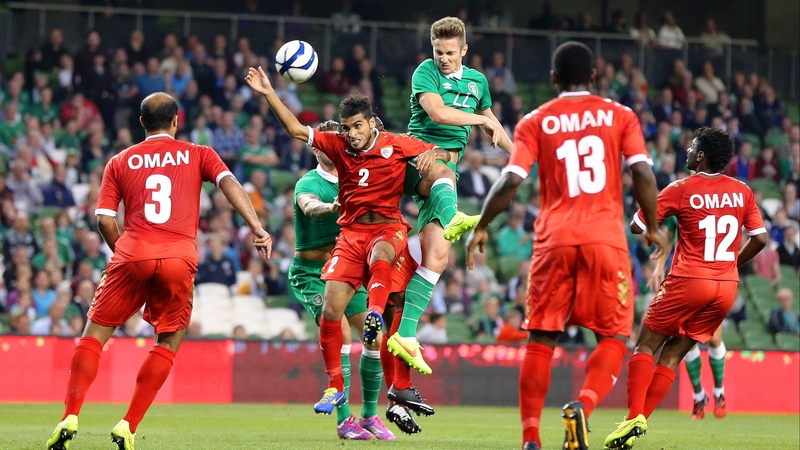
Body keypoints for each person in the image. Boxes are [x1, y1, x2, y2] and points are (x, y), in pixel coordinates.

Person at [465, 41, 668, 450]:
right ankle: (583, 405)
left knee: (541, 340)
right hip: (605, 240)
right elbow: (643, 174)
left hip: (553, 241)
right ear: (595, 76)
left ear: (554, 79)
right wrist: (652, 226)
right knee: (613, 337)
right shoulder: (621, 116)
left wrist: (482, 225)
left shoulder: (536, 120)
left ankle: (530, 439)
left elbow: (509, 181)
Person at [46, 92, 272, 450]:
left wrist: (124, 254)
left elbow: (103, 218)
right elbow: (229, 183)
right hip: (179, 256)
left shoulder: (120, 161)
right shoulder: (199, 153)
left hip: (132, 251)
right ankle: (127, 425)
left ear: (141, 123)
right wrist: (256, 226)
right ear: (176, 121)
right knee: (168, 338)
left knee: (93, 335)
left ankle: (70, 415)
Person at [244, 66, 448, 421]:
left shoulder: (396, 144)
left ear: (372, 123)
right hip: (351, 236)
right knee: (330, 311)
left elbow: (439, 152)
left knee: (383, 257)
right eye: (347, 127)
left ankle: (374, 319)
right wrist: (268, 93)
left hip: (388, 228)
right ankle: (335, 386)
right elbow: (294, 129)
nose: (352, 134)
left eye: (358, 126)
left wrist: (437, 156)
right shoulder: (335, 147)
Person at [604, 127, 767, 449]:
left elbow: (637, 226)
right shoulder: (743, 191)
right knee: (673, 355)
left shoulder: (681, 188)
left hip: (689, 280)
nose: (688, 151)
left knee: (646, 345)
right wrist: (732, 264)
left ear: (702, 156)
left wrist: (650, 213)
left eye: (693, 147)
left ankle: (634, 414)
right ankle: (635, 424)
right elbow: (760, 239)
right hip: (725, 288)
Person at [389, 16, 515, 377]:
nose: (443, 58)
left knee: (437, 258)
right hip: (417, 156)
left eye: (449, 53)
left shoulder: (477, 81)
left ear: (463, 50)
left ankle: (406, 334)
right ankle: (455, 215)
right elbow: (437, 112)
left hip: (447, 165)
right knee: (442, 171)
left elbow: (494, 123)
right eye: (437, 52)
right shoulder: (425, 72)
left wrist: (521, 156)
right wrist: (480, 122)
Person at [288, 120, 397, 440]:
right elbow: (307, 206)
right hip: (311, 274)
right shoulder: (308, 182)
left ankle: (368, 417)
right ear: (314, 147)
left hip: (346, 271)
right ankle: (344, 420)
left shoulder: (356, 179)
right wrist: (330, 207)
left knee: (375, 337)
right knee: (344, 333)